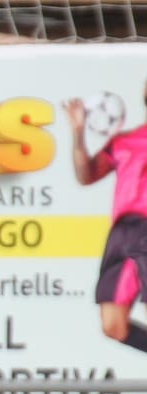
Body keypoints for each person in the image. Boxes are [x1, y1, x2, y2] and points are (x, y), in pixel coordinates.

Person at [65, 86, 147, 352]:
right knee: (113, 325)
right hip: (123, 233)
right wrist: (78, 132)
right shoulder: (124, 141)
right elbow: (86, 175)